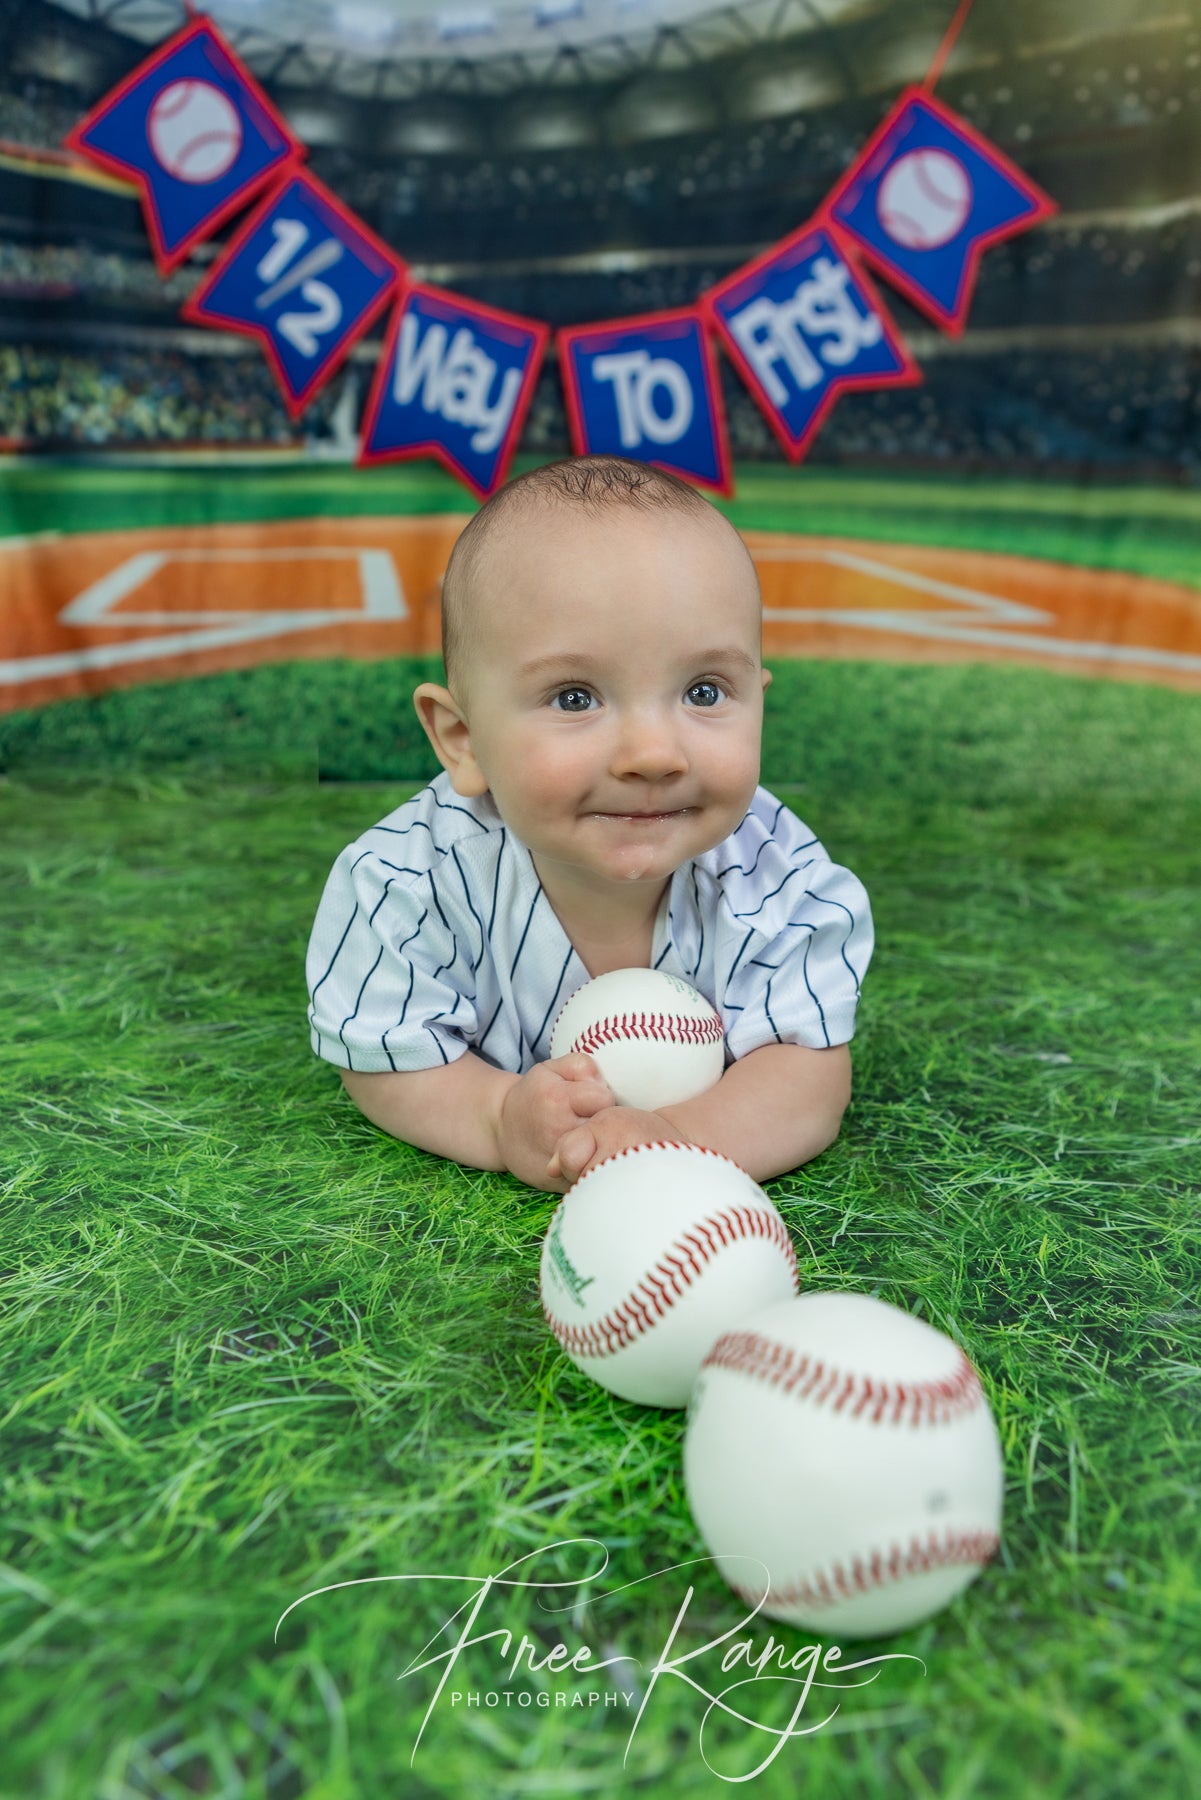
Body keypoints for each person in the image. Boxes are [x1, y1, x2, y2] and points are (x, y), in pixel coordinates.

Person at [306, 454, 873, 1194]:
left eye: (705, 690)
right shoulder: (404, 882)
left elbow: (805, 1081)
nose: (652, 754)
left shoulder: (781, 879)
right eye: (574, 698)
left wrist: (676, 1140)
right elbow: (386, 1059)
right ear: (462, 739)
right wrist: (494, 1115)